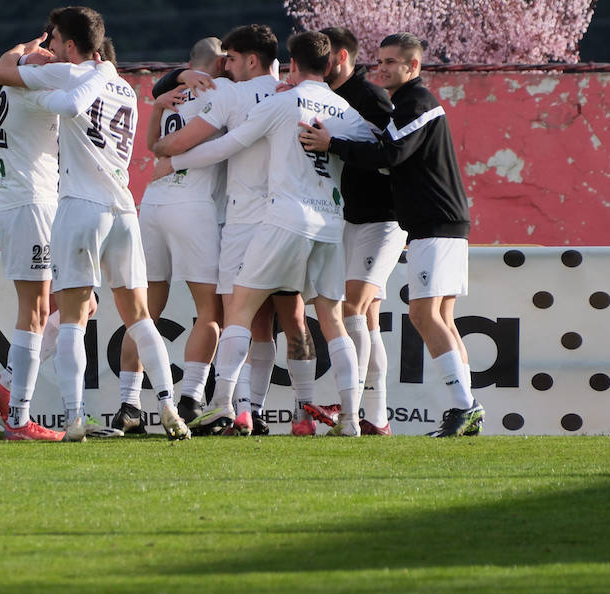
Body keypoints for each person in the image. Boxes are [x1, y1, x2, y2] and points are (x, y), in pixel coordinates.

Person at [162, 31, 376, 437]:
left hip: (283, 220)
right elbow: (375, 149)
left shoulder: (282, 101)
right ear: (330, 66)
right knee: (331, 320)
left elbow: (228, 145)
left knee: (239, 310)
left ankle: (224, 404)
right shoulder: (345, 109)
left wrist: (173, 163)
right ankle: (349, 419)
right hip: (329, 223)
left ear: (291, 65)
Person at [0, 6, 189, 442]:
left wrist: (27, 54)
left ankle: (75, 416)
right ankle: (169, 406)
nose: (54, 48)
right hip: (124, 209)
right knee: (139, 317)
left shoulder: (72, 75)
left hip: (81, 206)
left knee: (74, 318)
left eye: (57, 40)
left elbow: (2, 74)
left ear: (72, 46)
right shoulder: (125, 89)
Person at [300, 32, 483, 437]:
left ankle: (463, 406)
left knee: (422, 314)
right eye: (379, 60)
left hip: (434, 223)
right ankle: (464, 409)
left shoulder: (416, 103)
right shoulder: (405, 103)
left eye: (391, 62)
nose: (380, 67)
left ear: (413, 66)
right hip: (433, 224)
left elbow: (389, 154)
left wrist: (333, 142)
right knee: (442, 319)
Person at [0, 31, 112, 441]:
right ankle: (18, 419)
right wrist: (102, 68)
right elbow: (71, 97)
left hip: (32, 202)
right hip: (30, 202)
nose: (54, 60)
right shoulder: (31, 89)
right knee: (35, 311)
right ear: (26, 67)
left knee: (84, 304)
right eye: (46, 55)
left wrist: (21, 51)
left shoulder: (9, 84)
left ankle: (7, 383)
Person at [151, 24, 286, 436]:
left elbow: (181, 143)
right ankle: (266, 410)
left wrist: (166, 152)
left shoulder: (226, 93)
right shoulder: (288, 92)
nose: (227, 65)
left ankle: (223, 405)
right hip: (287, 216)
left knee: (226, 314)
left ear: (248, 59)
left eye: (233, 58)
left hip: (230, 215)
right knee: (279, 319)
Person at [114, 36, 227, 435]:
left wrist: (162, 101)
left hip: (153, 204)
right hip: (192, 205)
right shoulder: (222, 91)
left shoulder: (172, 92)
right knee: (211, 311)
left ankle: (128, 405)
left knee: (144, 314)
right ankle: (191, 397)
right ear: (219, 63)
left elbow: (151, 147)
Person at [318, 26, 403, 436]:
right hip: (348, 219)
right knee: (368, 317)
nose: (324, 62)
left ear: (345, 56)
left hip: (382, 220)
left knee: (351, 308)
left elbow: (393, 156)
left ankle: (350, 407)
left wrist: (333, 143)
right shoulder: (327, 96)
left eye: (329, 54)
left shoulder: (368, 97)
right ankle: (378, 419)